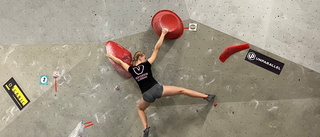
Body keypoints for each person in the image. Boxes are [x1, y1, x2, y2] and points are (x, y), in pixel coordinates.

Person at [106, 28, 215, 137]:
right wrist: (163, 33)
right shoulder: (147, 64)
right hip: (157, 89)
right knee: (182, 90)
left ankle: (145, 128)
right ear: (139, 57)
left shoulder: (131, 70)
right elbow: (156, 49)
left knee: (140, 109)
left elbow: (120, 62)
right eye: (144, 57)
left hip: (146, 95)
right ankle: (206, 96)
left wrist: (110, 56)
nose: (145, 59)